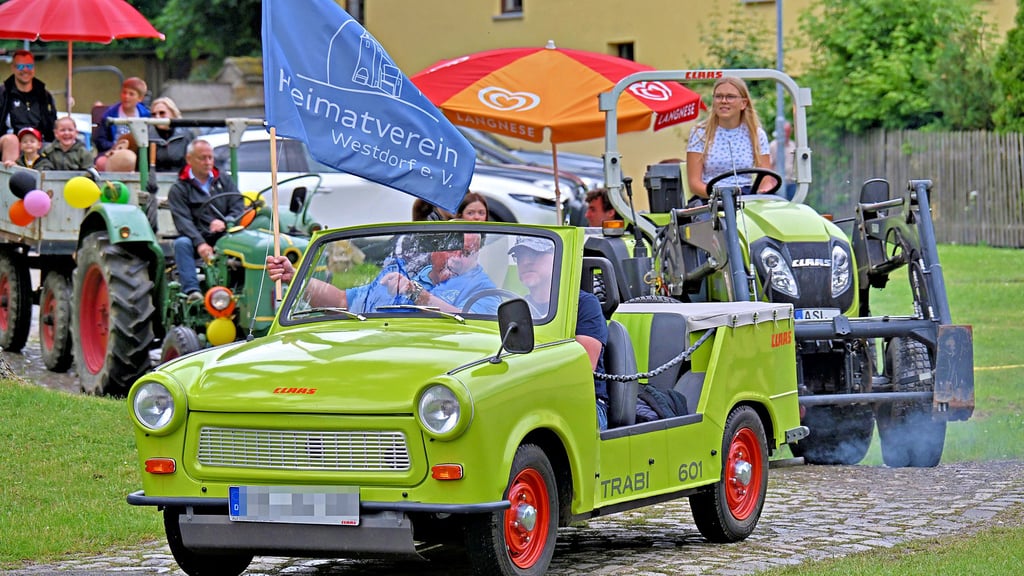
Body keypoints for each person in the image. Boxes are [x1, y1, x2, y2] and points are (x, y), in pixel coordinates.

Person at [508, 236, 610, 430]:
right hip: (530, 404)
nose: (526, 262)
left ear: (557, 259)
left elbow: (583, 365)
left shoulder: (584, 304)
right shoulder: (517, 308)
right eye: (520, 256)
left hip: (585, 404)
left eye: (535, 254)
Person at [266, 232, 499, 314]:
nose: (457, 257)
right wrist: (295, 278)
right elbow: (340, 301)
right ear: (434, 250)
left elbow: (474, 325)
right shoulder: (406, 276)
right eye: (452, 249)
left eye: (467, 252)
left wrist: (415, 293)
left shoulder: (483, 289)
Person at [168, 139, 245, 301]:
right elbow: (183, 221)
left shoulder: (224, 181)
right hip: (197, 239)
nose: (208, 162)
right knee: (182, 243)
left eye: (210, 157)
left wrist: (227, 221)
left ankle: (243, 289)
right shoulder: (179, 189)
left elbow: (238, 204)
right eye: (202, 158)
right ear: (189, 159)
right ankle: (192, 292)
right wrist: (200, 243)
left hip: (224, 235)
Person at [686, 76, 775, 203]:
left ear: (743, 103)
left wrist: (763, 192)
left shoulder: (756, 134)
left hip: (745, 197)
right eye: (719, 96)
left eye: (730, 97)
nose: (724, 101)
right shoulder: (700, 133)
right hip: (711, 198)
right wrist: (722, 197)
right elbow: (694, 183)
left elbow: (766, 177)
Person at [0, 50, 58, 165]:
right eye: (21, 66)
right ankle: (12, 180)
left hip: (38, 142)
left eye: (29, 66)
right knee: (11, 140)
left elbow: (53, 126)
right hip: (10, 141)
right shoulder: (2, 93)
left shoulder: (45, 95)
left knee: (57, 147)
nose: (25, 70)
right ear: (13, 68)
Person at [95, 77, 150, 170]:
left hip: (138, 153)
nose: (126, 97)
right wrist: (115, 146)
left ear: (140, 98)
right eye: (124, 92)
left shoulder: (146, 115)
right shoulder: (109, 115)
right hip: (114, 151)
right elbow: (100, 141)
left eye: (131, 94)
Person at [148, 97, 195, 172]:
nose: (157, 117)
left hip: (181, 178)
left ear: (173, 113)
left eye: (162, 113)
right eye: (153, 114)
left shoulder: (187, 133)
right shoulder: (147, 135)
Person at [769, 121, 797, 200]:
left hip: (791, 182)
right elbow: (770, 164)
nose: (786, 134)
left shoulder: (793, 146)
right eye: (785, 131)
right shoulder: (774, 146)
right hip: (778, 183)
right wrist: (772, 181)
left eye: (788, 131)